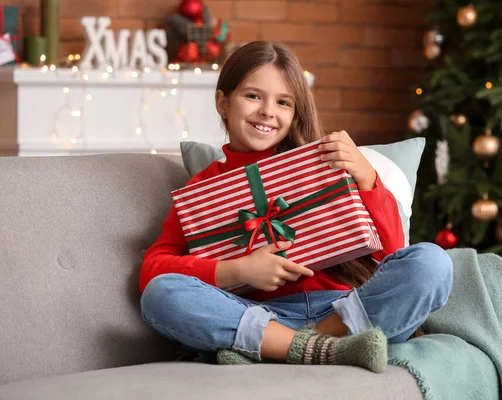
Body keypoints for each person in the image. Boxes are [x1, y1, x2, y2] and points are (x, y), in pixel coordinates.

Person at [139, 41, 453, 374]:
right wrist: (239, 270)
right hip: (257, 315)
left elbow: (391, 251)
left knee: (432, 262)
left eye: (283, 102)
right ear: (223, 102)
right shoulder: (202, 190)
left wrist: (366, 177)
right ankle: (322, 350)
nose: (267, 111)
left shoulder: (325, 163)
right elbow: (152, 271)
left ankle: (283, 350)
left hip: (347, 312)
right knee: (161, 293)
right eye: (253, 96)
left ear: (295, 113)